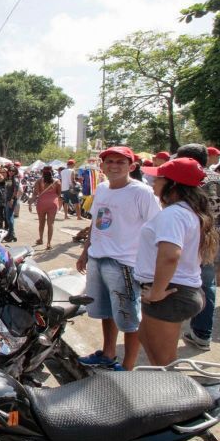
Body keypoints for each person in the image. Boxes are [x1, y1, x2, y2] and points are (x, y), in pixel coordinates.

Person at [76, 146, 161, 371]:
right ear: (101, 166)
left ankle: (128, 367)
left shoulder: (141, 192)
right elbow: (95, 223)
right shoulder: (102, 188)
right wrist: (85, 252)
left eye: (120, 162)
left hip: (124, 264)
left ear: (131, 166)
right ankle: (108, 353)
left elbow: (157, 229)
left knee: (129, 318)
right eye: (109, 161)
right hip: (98, 258)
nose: (114, 166)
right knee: (106, 311)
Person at [135, 158, 218, 365]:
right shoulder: (186, 212)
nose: (153, 181)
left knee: (163, 364)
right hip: (176, 291)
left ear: (173, 184)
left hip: (170, 294)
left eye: (159, 178)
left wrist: (156, 291)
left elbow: (170, 255)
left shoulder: (174, 215)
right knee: (146, 340)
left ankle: (169, 397)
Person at [176, 144, 220, 351]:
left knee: (181, 281)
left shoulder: (189, 179)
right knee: (207, 284)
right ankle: (203, 333)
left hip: (194, 239)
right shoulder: (218, 178)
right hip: (215, 239)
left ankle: (168, 328)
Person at [28, 166, 60, 250]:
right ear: (52, 172)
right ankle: (49, 243)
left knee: (41, 222)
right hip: (53, 204)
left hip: (41, 203)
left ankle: (41, 239)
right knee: (51, 224)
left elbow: (35, 194)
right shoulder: (57, 182)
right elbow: (59, 194)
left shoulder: (39, 181)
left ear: (42, 173)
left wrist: (30, 203)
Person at [4, 164, 21, 242]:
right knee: (8, 217)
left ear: (15, 172)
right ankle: (11, 234)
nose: (11, 172)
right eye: (10, 170)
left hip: (11, 200)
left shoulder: (15, 179)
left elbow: (15, 191)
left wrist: (11, 200)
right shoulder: (9, 178)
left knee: (9, 217)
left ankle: (11, 234)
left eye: (13, 171)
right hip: (7, 199)